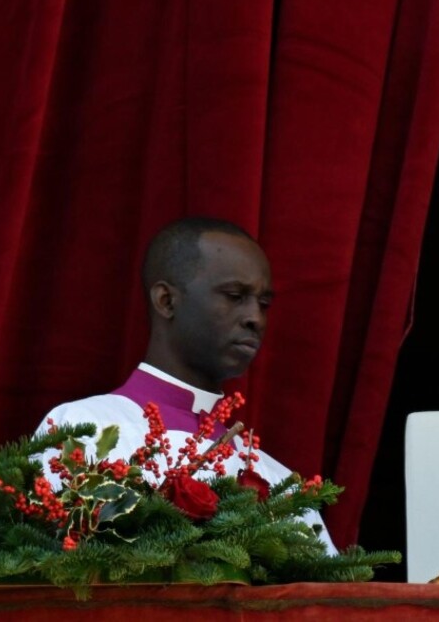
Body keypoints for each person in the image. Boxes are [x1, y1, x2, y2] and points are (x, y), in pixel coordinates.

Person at [37, 216, 335, 551]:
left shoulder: (279, 481)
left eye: (264, 303)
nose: (256, 318)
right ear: (167, 301)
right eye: (235, 295)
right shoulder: (82, 429)